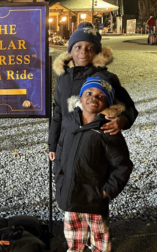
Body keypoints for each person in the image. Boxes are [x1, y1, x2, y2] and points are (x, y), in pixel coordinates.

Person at [49, 76, 133, 252]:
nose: (94, 97)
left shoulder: (108, 129)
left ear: (107, 104)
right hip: (70, 196)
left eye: (101, 96)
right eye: (89, 92)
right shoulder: (69, 121)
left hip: (94, 199)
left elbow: (123, 166)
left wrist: (106, 191)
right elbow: (60, 150)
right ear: (80, 97)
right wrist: (60, 179)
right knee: (74, 239)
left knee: (100, 240)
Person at [48, 21, 138, 156]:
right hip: (66, 145)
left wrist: (123, 120)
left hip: (95, 147)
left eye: (90, 48)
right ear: (70, 52)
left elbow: (130, 107)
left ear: (97, 53)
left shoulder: (107, 78)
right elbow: (58, 112)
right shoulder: (63, 78)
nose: (83, 51)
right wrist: (53, 144)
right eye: (78, 47)